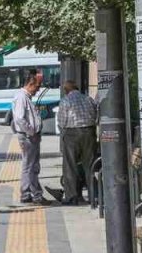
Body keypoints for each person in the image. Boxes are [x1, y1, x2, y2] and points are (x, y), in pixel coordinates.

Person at [55, 80, 99, 205]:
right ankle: (94, 196)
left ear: (66, 90)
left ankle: (72, 197)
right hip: (89, 133)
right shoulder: (88, 99)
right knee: (90, 165)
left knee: (70, 166)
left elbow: (62, 121)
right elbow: (95, 115)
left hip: (72, 134)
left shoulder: (65, 101)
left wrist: (64, 133)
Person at [10, 73, 47, 204]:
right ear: (30, 84)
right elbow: (20, 118)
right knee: (31, 166)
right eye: (37, 86)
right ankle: (36, 195)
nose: (38, 90)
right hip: (28, 136)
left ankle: (26, 193)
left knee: (28, 165)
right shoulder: (21, 97)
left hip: (28, 135)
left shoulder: (25, 97)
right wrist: (31, 131)